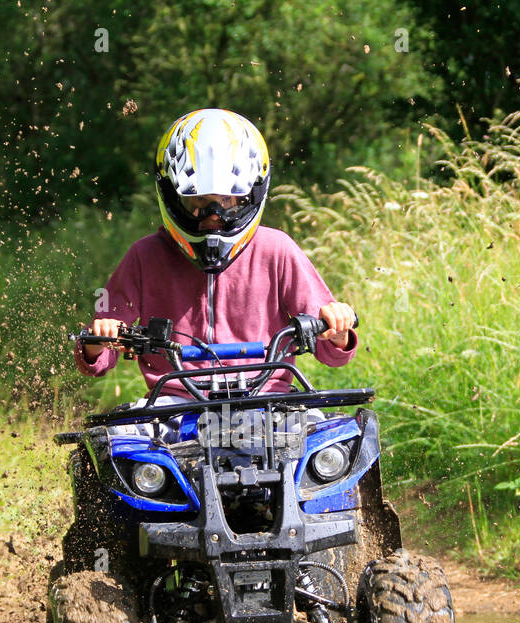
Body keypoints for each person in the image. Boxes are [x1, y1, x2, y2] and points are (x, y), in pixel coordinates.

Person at [74, 108, 359, 416]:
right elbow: (98, 361)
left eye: (226, 202)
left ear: (250, 195)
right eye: (197, 202)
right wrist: (98, 340)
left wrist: (338, 330)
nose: (213, 216)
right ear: (171, 195)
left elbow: (332, 353)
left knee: (337, 444)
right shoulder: (145, 257)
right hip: (174, 406)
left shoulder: (277, 250)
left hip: (269, 401)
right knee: (120, 451)